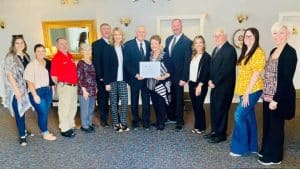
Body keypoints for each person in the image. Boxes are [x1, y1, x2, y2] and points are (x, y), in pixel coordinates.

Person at [258, 22, 297, 165]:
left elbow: (286, 79)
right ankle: (266, 150)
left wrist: (276, 99)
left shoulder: (289, 52)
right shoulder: (273, 50)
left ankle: (275, 157)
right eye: (275, 33)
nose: (278, 36)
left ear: (287, 34)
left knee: (276, 127)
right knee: (267, 125)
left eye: (281, 33)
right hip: (267, 95)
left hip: (278, 97)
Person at [229, 28, 266, 156]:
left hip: (253, 90)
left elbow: (256, 74)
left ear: (256, 37)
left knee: (238, 115)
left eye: (250, 36)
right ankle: (253, 147)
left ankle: (240, 148)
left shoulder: (258, 52)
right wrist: (242, 91)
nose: (247, 38)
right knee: (249, 117)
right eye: (246, 36)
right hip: (243, 90)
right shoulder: (245, 51)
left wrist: (246, 93)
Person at [204, 28, 237, 143]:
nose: (216, 38)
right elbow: (212, 67)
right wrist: (209, 80)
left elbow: (226, 70)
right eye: (215, 36)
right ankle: (214, 131)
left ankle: (221, 134)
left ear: (225, 36)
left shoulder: (230, 50)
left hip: (224, 87)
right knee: (214, 109)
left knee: (221, 110)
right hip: (214, 85)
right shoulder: (215, 49)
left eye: (219, 35)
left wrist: (214, 81)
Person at [3, 34, 33, 146]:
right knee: (19, 111)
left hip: (25, 88)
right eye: (17, 43)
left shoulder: (26, 56)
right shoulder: (10, 57)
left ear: (24, 44)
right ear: (13, 45)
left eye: (22, 42)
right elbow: (9, 75)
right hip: (15, 89)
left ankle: (24, 129)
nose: (20, 45)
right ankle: (22, 136)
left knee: (23, 109)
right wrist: (16, 91)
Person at [24, 44, 57, 141]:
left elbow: (52, 78)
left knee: (45, 112)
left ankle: (44, 130)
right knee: (42, 112)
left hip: (48, 91)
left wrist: (53, 88)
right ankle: (45, 133)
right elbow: (29, 81)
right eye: (38, 51)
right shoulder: (31, 65)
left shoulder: (48, 63)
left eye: (43, 51)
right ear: (35, 53)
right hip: (37, 91)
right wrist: (34, 95)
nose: (41, 53)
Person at [164, 19, 192, 131]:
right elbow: (166, 56)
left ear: (181, 26)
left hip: (179, 77)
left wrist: (184, 78)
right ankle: (172, 116)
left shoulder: (187, 41)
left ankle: (179, 121)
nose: (175, 28)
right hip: (168, 75)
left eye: (177, 25)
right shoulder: (168, 39)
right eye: (173, 26)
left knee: (179, 99)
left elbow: (187, 61)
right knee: (170, 97)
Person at [103, 27, 129, 132]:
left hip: (122, 80)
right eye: (116, 34)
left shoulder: (124, 48)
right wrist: (107, 82)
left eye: (120, 34)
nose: (118, 36)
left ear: (122, 36)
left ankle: (123, 122)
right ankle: (115, 123)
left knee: (124, 102)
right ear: (113, 36)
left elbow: (126, 65)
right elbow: (105, 66)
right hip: (112, 80)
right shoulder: (108, 48)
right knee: (113, 102)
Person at [124, 26, 151, 130]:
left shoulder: (149, 44)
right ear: (135, 33)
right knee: (134, 100)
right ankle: (135, 120)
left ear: (145, 33)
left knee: (146, 101)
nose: (141, 34)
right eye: (139, 32)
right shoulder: (128, 44)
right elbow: (126, 63)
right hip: (134, 78)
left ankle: (146, 121)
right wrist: (135, 74)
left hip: (146, 79)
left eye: (143, 32)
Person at [50, 37, 78, 138]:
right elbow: (53, 76)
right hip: (65, 86)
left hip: (74, 86)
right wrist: (61, 85)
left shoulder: (70, 56)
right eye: (61, 44)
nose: (64, 45)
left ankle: (70, 125)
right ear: (57, 46)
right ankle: (64, 128)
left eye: (66, 43)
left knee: (72, 106)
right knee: (64, 108)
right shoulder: (56, 58)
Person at [187, 35, 211, 134]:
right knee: (195, 105)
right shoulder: (193, 55)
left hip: (200, 84)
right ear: (194, 45)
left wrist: (200, 85)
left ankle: (201, 127)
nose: (198, 44)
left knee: (199, 105)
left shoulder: (206, 57)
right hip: (191, 83)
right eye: (196, 42)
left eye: (200, 42)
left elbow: (206, 72)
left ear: (203, 44)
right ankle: (197, 126)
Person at [147, 35, 171, 131]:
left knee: (161, 104)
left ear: (159, 44)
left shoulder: (164, 55)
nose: (153, 45)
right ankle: (158, 121)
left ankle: (161, 123)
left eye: (155, 43)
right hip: (151, 83)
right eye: (152, 43)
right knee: (155, 104)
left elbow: (171, 70)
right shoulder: (149, 55)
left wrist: (162, 77)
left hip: (161, 83)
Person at [92, 23, 111, 127]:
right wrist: (100, 77)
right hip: (102, 78)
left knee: (113, 99)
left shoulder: (114, 43)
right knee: (102, 100)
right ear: (101, 31)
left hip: (113, 77)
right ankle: (104, 120)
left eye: (108, 29)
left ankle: (114, 118)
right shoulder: (96, 44)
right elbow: (96, 62)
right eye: (104, 29)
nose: (107, 31)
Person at [77, 44, 97, 133]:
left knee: (91, 107)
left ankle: (89, 123)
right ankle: (84, 125)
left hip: (93, 89)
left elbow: (94, 76)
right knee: (85, 108)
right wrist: (84, 90)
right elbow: (79, 78)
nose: (88, 51)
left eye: (89, 50)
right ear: (82, 51)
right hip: (84, 90)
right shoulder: (80, 63)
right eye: (85, 50)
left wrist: (96, 87)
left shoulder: (92, 62)